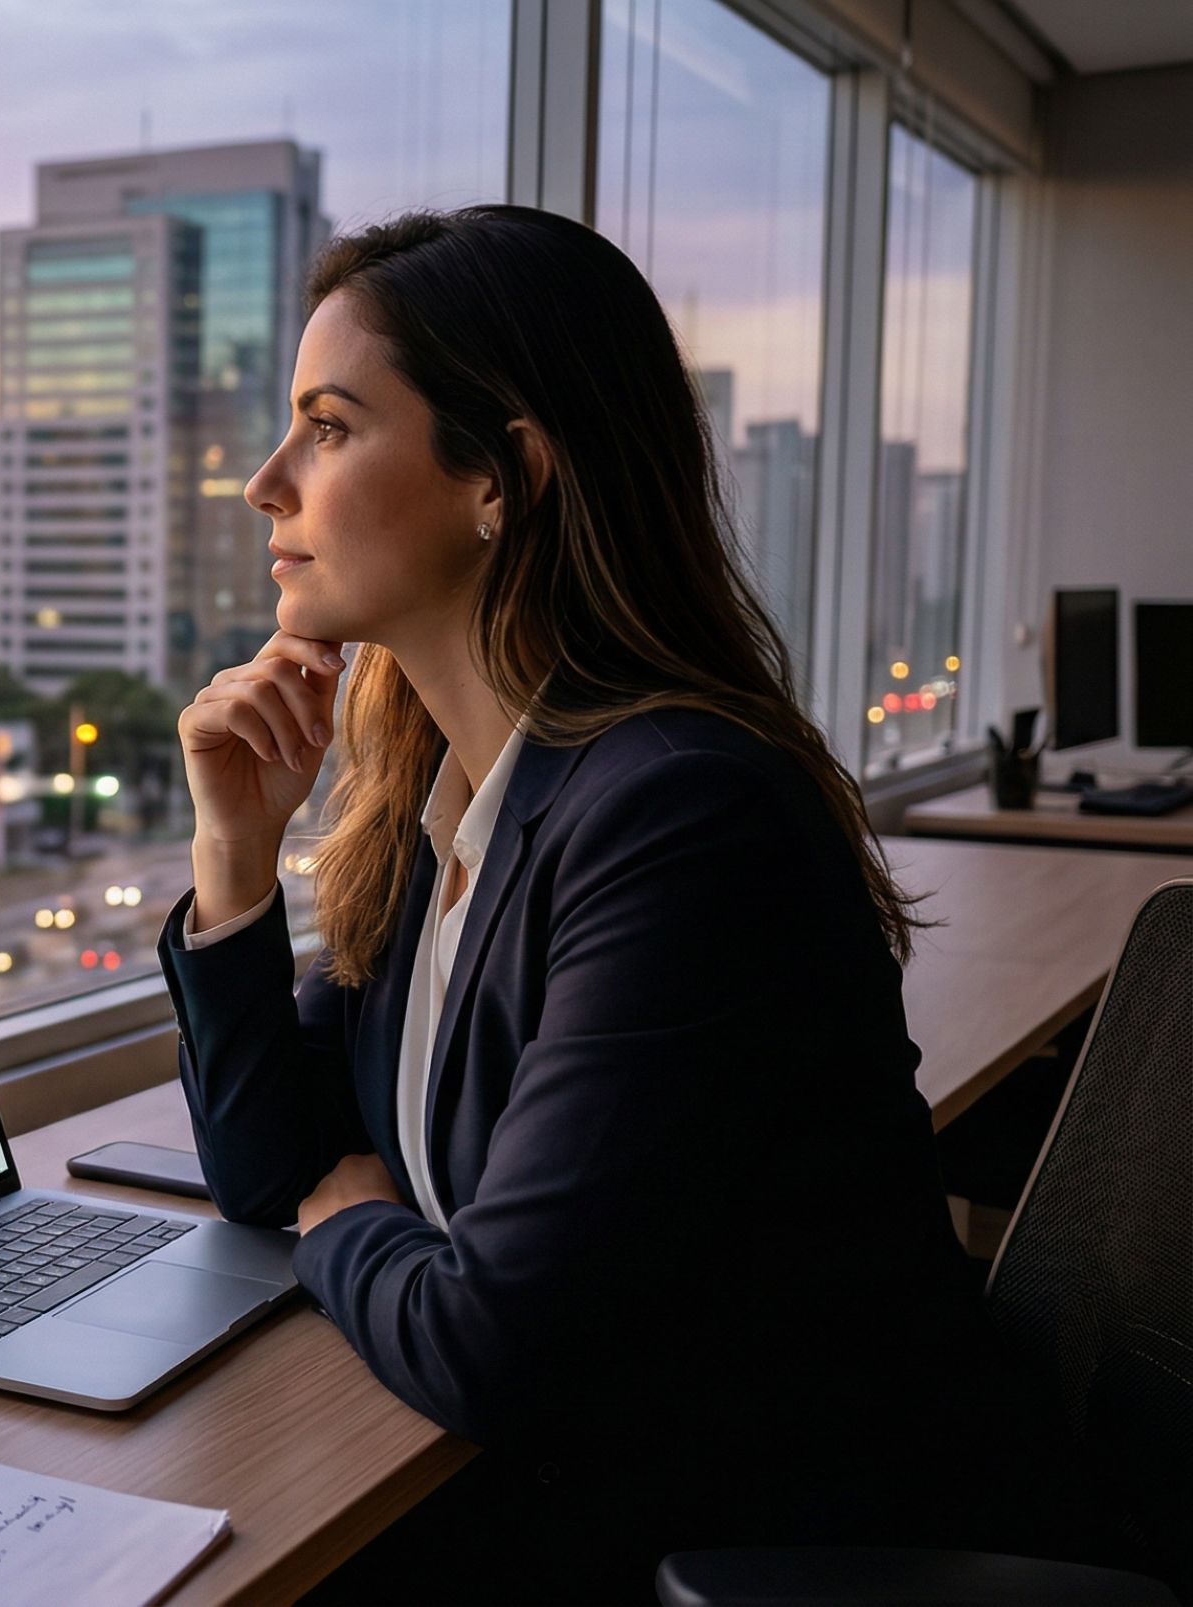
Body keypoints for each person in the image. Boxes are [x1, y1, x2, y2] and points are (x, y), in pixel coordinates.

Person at [160, 207, 1017, 1598]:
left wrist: (347, 1222)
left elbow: (494, 1342)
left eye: (327, 427)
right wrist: (236, 858)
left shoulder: (677, 816)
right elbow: (267, 1164)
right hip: (579, 1482)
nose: (267, 482)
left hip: (723, 1539)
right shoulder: (452, 805)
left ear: (502, 476)